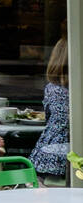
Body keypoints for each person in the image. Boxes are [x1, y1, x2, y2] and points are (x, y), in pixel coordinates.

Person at [30, 30, 70, 185]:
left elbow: (48, 117)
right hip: (68, 153)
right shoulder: (76, 91)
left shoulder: (51, 88)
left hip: (47, 151)